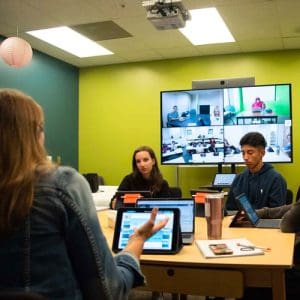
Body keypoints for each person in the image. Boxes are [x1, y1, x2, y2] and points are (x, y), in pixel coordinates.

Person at [0, 88, 168, 300]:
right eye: (138, 160)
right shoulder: (63, 184)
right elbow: (109, 291)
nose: (142, 164)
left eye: (146, 159)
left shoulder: (163, 182)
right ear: (35, 134)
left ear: (153, 161)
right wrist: (137, 241)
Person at [226, 132, 287, 210]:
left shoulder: (276, 179)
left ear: (262, 153)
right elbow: (230, 209)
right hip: (240, 222)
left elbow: (276, 215)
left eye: (250, 153)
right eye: (243, 153)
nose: (245, 157)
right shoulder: (239, 179)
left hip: (266, 222)